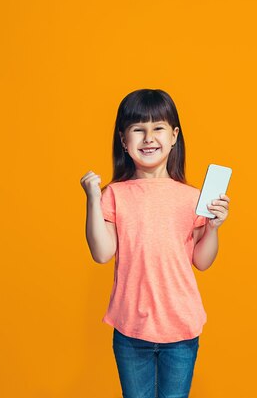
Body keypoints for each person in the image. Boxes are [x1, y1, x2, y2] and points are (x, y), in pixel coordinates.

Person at [80, 88, 230, 398]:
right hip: (131, 329)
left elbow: (202, 260)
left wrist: (213, 227)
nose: (149, 137)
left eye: (158, 127)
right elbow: (102, 252)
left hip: (181, 327)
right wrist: (93, 199)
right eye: (138, 129)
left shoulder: (192, 198)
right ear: (124, 140)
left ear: (174, 135)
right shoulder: (115, 195)